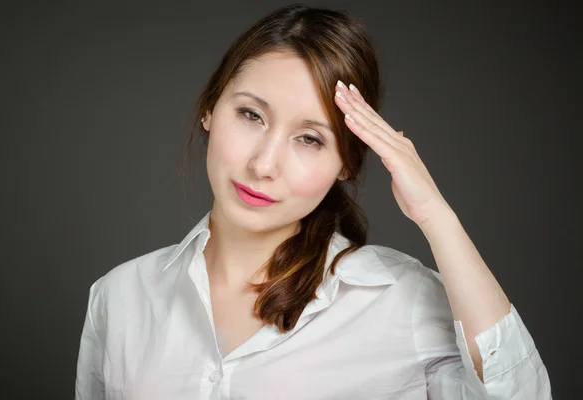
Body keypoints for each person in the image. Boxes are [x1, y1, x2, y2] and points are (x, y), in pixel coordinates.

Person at [75, 3, 551, 399]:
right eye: (250, 114)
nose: (264, 165)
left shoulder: (399, 300)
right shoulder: (118, 298)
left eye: (309, 139)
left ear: (346, 162)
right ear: (209, 109)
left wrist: (436, 215)